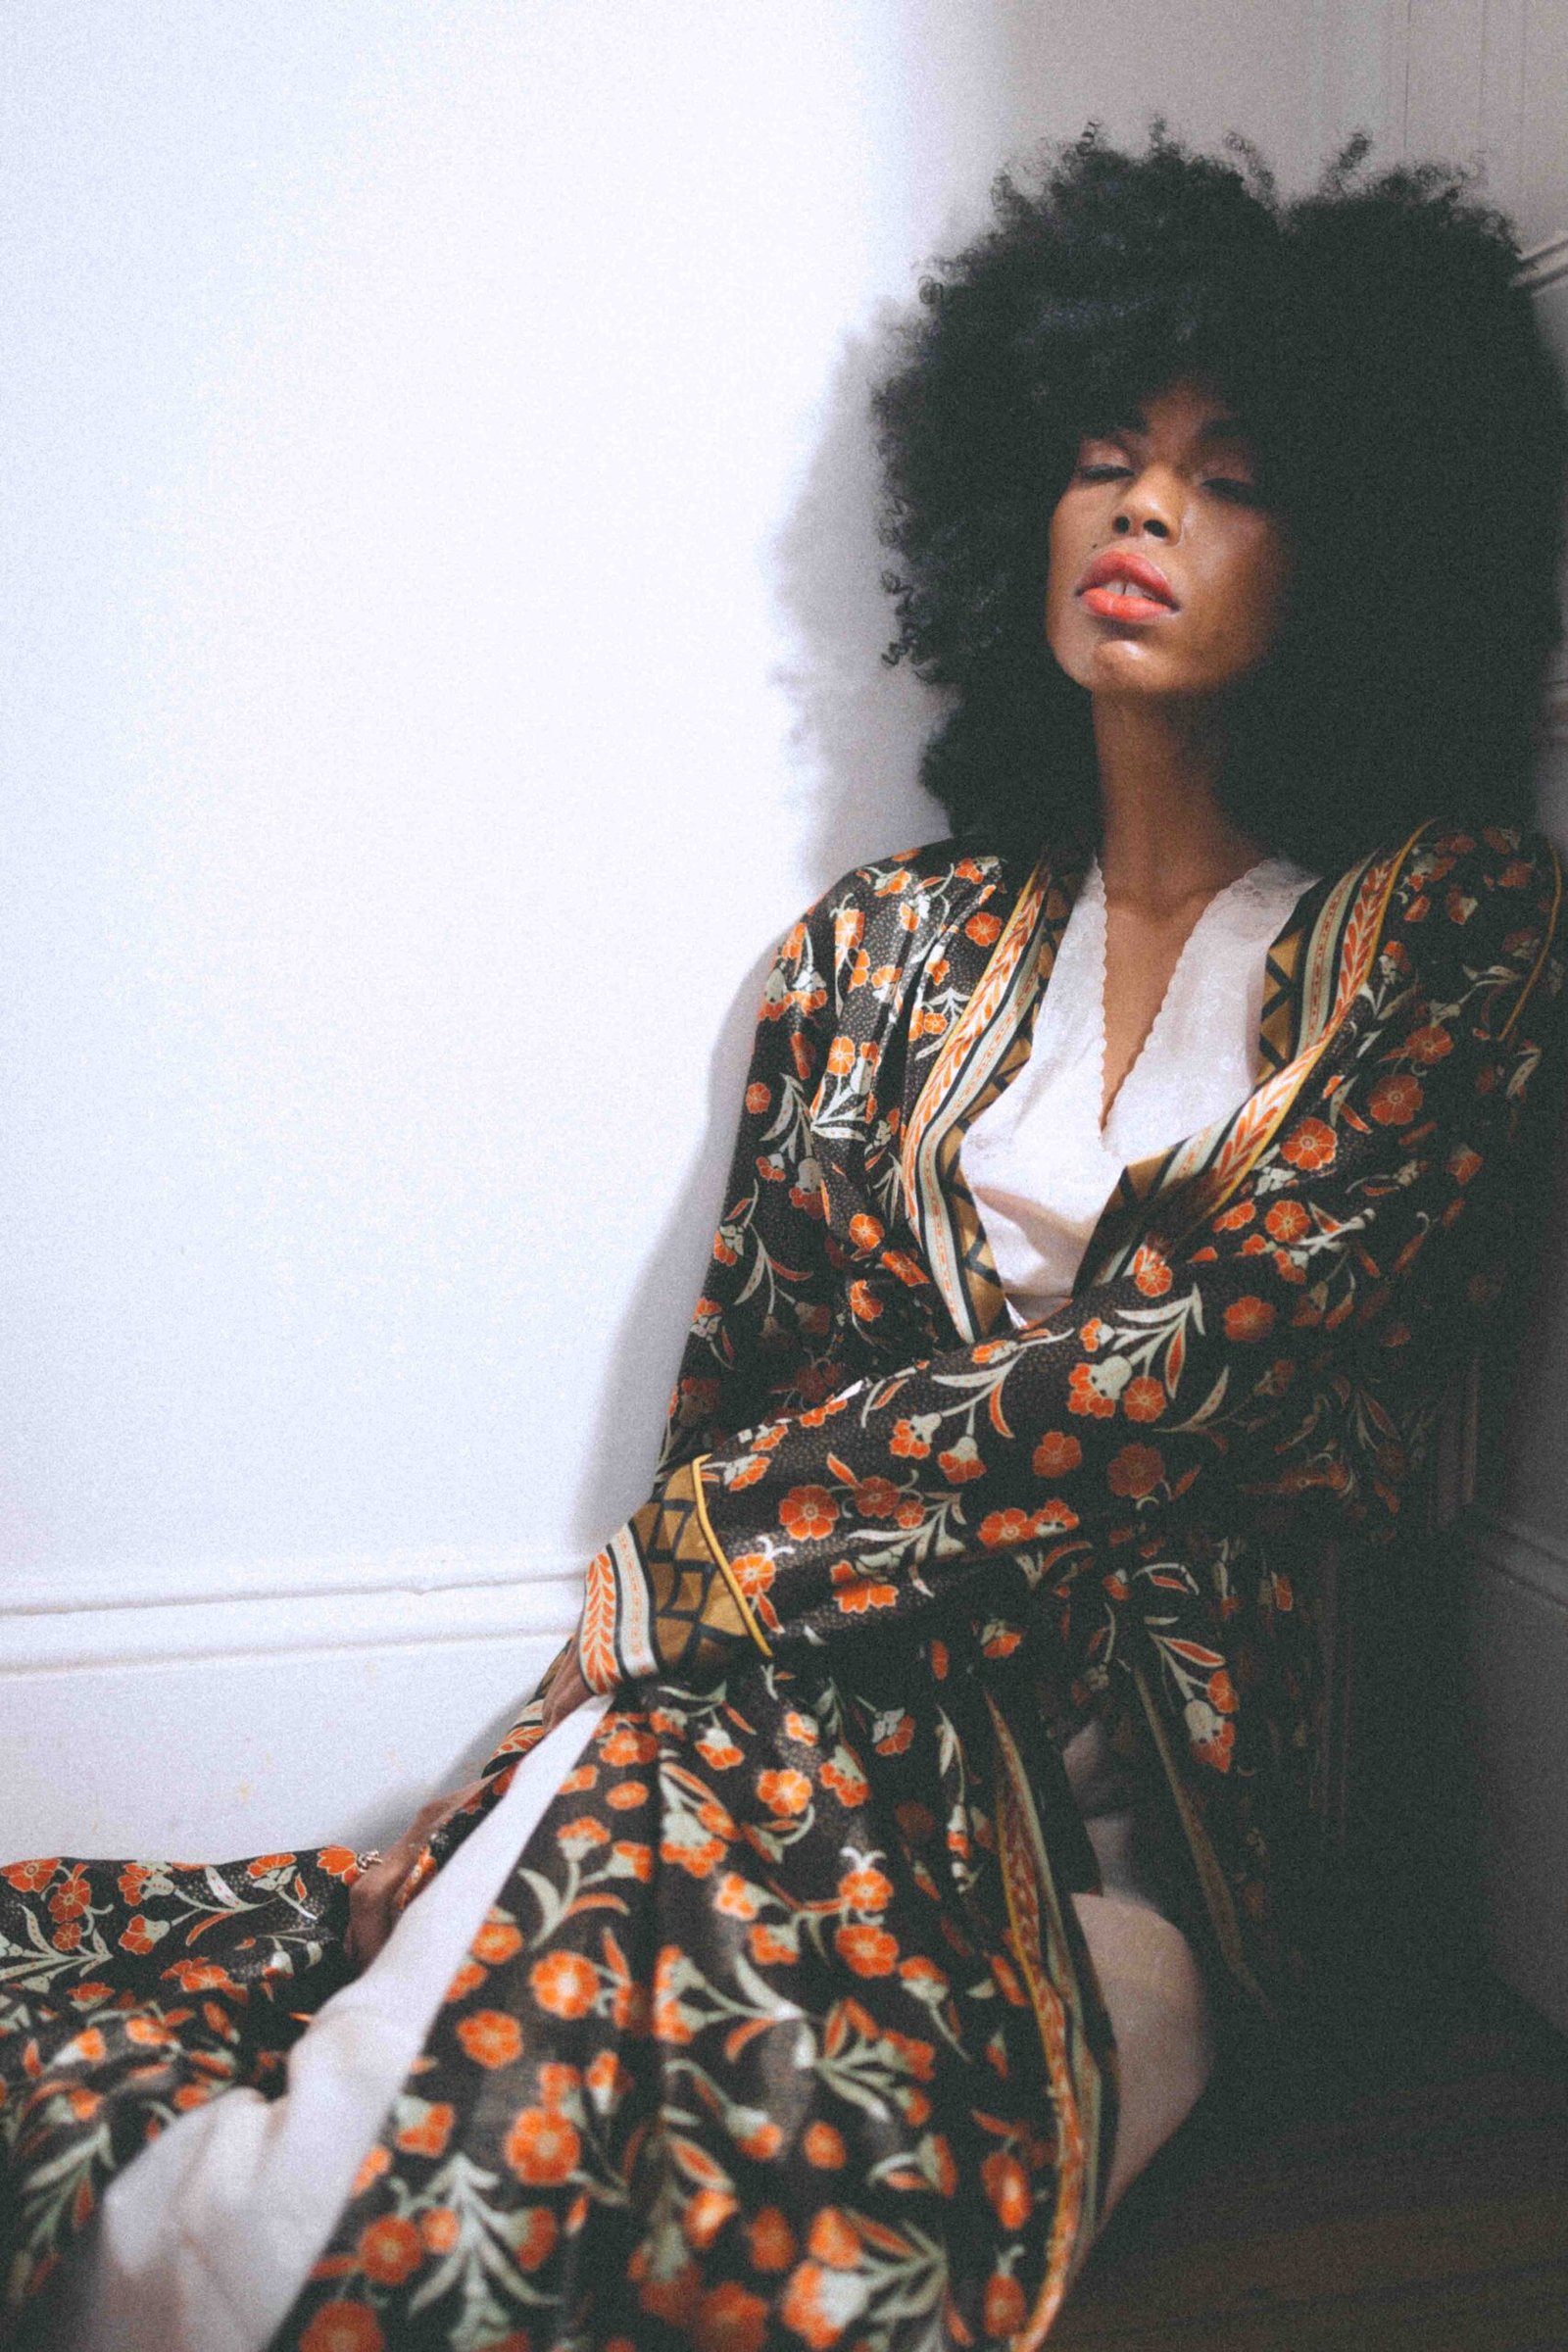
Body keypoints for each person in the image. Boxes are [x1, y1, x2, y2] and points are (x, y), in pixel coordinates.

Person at [3, 124, 1565, 2352]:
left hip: (1160, 1833)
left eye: (1226, 481)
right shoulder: (876, 950)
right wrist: (606, 1679)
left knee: (787, 2248)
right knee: (309, 2181)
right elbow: (734, 1392)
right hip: (793, 1706)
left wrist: (711, 1550)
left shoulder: (1453, 937)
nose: (1138, 512)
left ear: (1362, 555)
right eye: (1101, 459)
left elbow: (1207, 1366)